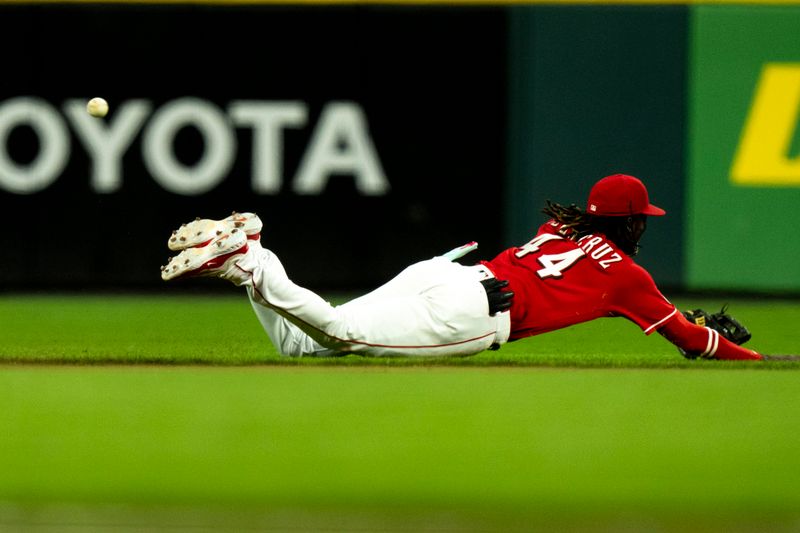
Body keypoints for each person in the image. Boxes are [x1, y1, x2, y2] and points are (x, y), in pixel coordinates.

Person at [161, 174, 762, 361]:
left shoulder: (561, 229)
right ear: (631, 223)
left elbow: (579, 262)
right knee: (337, 336)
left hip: (440, 273)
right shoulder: (629, 278)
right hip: (473, 313)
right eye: (642, 219)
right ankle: (250, 262)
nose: (644, 227)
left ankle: (253, 256)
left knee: (301, 347)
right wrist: (752, 358)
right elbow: (695, 344)